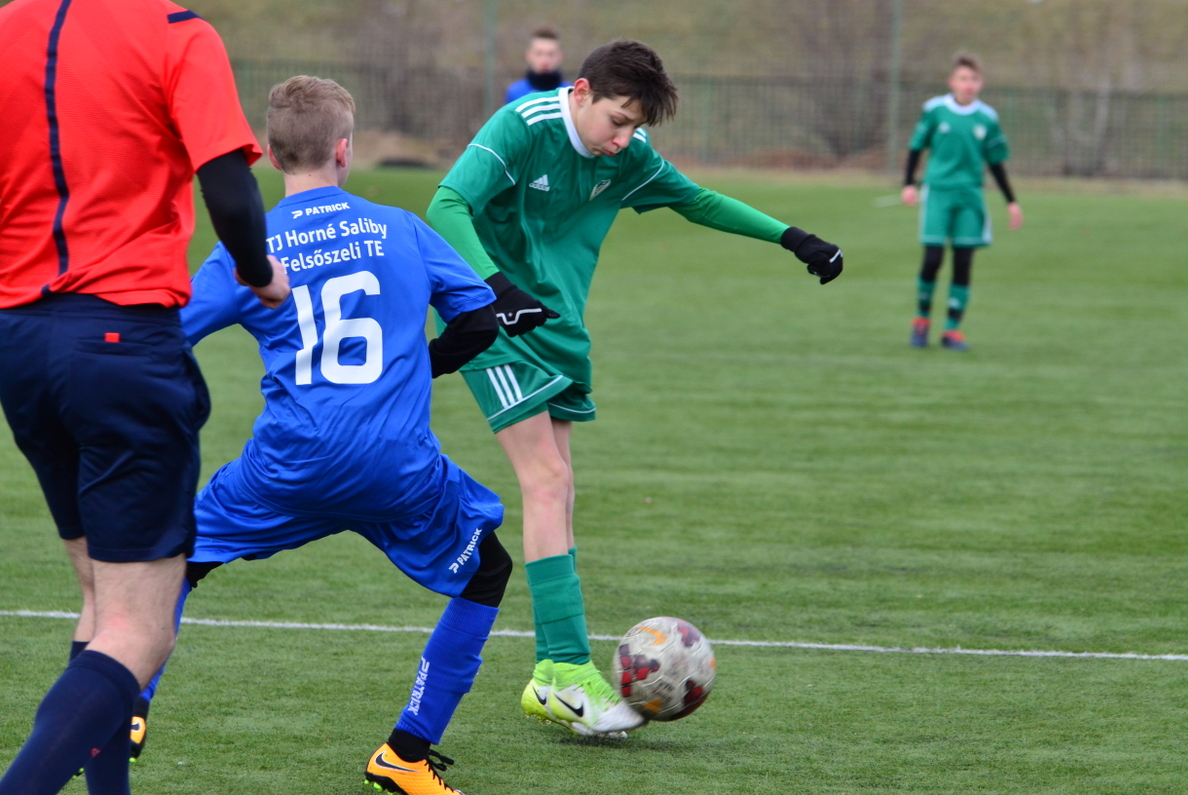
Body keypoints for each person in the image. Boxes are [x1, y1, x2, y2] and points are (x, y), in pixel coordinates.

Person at [426, 40, 844, 739]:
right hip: (487, 319)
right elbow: (446, 206)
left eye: (635, 127)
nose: (624, 140)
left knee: (561, 487)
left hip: (556, 327)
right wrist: (493, 290)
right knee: (547, 480)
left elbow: (697, 201)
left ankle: (549, 676)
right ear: (582, 91)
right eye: (617, 120)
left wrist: (792, 238)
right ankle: (563, 667)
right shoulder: (523, 126)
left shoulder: (630, 154)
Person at [130, 76, 511, 795]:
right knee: (487, 572)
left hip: (289, 465)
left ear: (272, 157)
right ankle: (406, 751)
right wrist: (415, 371)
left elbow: (169, 334)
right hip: (400, 469)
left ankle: (130, 703)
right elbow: (481, 321)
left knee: (175, 558)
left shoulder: (253, 247)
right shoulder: (399, 227)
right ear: (345, 149)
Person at [0, 0, 289, 792]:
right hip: (121, 342)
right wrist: (262, 274)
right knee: (141, 628)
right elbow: (230, 195)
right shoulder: (174, 33)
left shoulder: (9, 27)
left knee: (101, 596)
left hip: (20, 340)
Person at [902, 52, 1023, 351]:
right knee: (932, 258)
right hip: (938, 192)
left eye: (974, 79)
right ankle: (921, 320)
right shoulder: (934, 110)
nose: (968, 84)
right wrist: (908, 183)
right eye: (963, 78)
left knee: (963, 262)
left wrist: (1011, 201)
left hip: (970, 195)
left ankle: (952, 330)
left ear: (981, 84)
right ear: (952, 82)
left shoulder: (987, 118)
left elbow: (995, 163)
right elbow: (917, 147)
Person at [505, 26, 571, 104]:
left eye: (550, 54)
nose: (544, 60)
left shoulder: (569, 93)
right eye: (539, 53)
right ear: (528, 55)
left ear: (560, 57)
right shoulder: (515, 92)